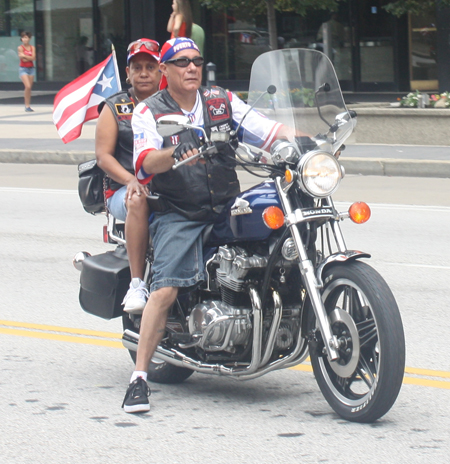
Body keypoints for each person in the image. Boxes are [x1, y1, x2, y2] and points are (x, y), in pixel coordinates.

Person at [121, 37, 308, 414]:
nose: (191, 68)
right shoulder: (150, 112)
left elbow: (263, 128)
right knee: (166, 290)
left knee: (279, 230)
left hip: (225, 204)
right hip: (180, 212)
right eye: (181, 62)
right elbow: (143, 163)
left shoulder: (221, 101)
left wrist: (300, 138)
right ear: (164, 71)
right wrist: (177, 148)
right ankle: (139, 379)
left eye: (196, 61)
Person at [95, 38, 161, 313]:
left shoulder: (171, 102)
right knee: (138, 200)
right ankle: (136, 285)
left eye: (150, 66)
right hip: (123, 189)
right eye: (137, 67)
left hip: (165, 185)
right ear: (128, 73)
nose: (143, 73)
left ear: (162, 71)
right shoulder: (115, 106)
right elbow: (103, 156)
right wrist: (130, 179)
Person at [17, 31, 36, 112]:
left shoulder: (32, 48)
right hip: (23, 68)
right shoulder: (20, 47)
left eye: (26, 37)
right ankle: (26, 105)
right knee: (27, 86)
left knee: (29, 88)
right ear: (21, 39)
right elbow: (23, 59)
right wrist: (28, 57)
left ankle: (28, 105)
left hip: (31, 68)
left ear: (29, 38)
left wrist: (25, 55)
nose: (25, 39)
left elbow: (33, 58)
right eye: (23, 37)